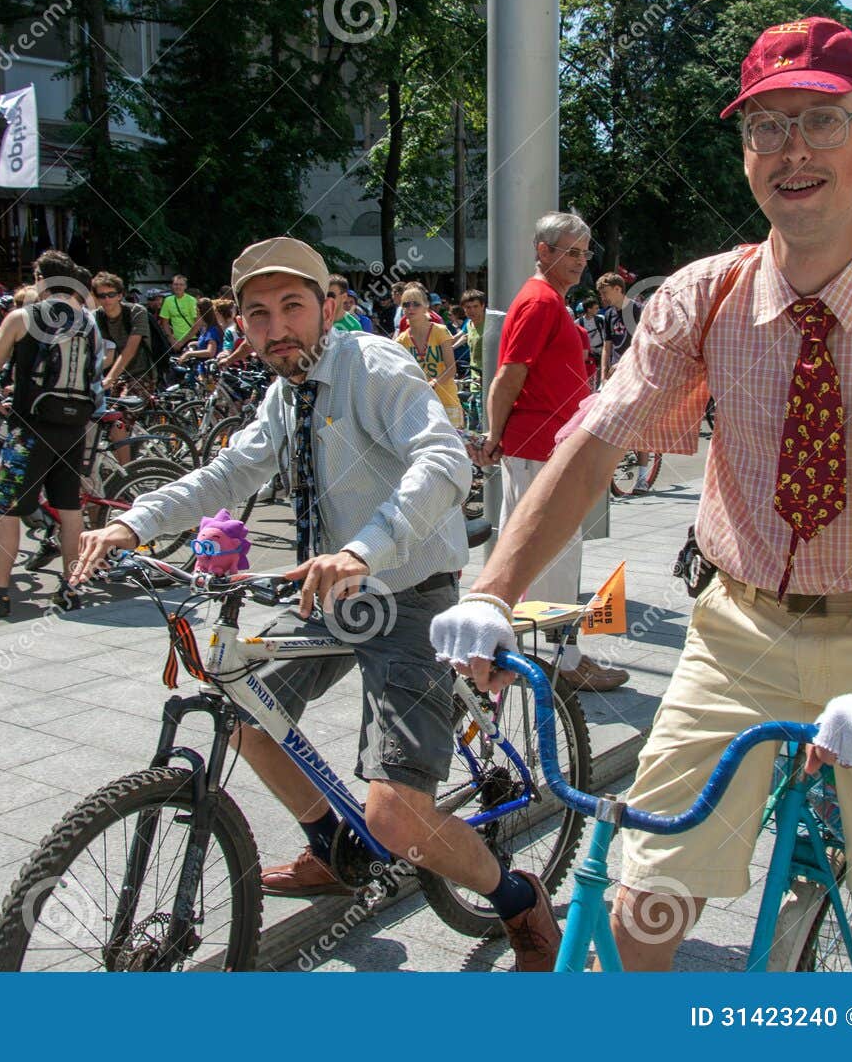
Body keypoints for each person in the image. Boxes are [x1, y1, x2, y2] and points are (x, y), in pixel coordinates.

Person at [432, 15, 852, 972]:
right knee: (642, 909)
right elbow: (594, 442)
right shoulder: (704, 295)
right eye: (766, 126)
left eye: (821, 120)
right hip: (738, 627)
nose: (792, 150)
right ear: (745, 152)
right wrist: (491, 589)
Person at [71, 236, 560, 969]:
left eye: (292, 306)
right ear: (241, 325)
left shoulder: (373, 364)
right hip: (332, 591)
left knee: (395, 815)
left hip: (407, 593)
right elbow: (229, 471)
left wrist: (365, 548)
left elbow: (443, 457)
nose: (277, 327)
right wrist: (132, 521)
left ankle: (519, 899)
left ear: (327, 307)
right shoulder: (283, 395)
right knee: (242, 706)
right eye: (258, 314)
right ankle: (331, 844)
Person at [473, 211, 629, 693]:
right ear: (543, 251)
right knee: (555, 550)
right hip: (541, 444)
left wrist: (497, 437)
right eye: (571, 252)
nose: (581, 262)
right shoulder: (540, 301)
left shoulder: (545, 299)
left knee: (541, 548)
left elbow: (513, 373)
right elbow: (509, 374)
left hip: (545, 444)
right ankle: (561, 660)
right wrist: (493, 437)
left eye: (584, 253)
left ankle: (538, 655)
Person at [0, 257, 103, 616]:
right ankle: (71, 589)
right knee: (70, 511)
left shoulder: (22, 317)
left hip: (30, 429)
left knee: (7, 512)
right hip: (72, 429)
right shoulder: (89, 323)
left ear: (41, 279)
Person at [396, 283, 464, 426]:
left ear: (426, 306)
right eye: (406, 304)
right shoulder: (401, 339)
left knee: (452, 446)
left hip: (446, 401)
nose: (411, 308)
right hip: (420, 404)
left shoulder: (440, 331)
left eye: (416, 304)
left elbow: (451, 369)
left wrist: (433, 383)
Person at [92, 272, 156, 398]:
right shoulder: (96, 317)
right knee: (107, 414)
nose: (107, 299)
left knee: (125, 414)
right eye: (102, 296)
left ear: (120, 295)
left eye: (111, 295)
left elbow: (130, 350)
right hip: (117, 375)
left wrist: (110, 379)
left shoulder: (136, 312)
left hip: (141, 374)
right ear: (96, 298)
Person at [597, 272, 642, 383]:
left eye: (605, 293)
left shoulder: (638, 310)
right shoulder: (608, 314)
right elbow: (606, 347)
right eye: (601, 294)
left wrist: (623, 363)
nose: (602, 297)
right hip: (615, 372)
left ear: (617, 289)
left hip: (635, 369)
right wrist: (603, 374)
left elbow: (643, 344)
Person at [159, 273, 199, 353]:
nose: (178, 287)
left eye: (181, 284)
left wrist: (182, 342)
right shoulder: (168, 300)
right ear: (172, 286)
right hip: (174, 341)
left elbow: (197, 324)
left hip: (191, 339)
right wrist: (171, 340)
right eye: (176, 284)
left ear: (185, 286)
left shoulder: (192, 300)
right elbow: (165, 323)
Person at [175, 297, 223, 364]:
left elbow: (210, 352)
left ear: (201, 312)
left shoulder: (212, 331)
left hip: (208, 368)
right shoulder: (205, 328)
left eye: (197, 312)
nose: (196, 315)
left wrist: (189, 354)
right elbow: (206, 343)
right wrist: (196, 343)